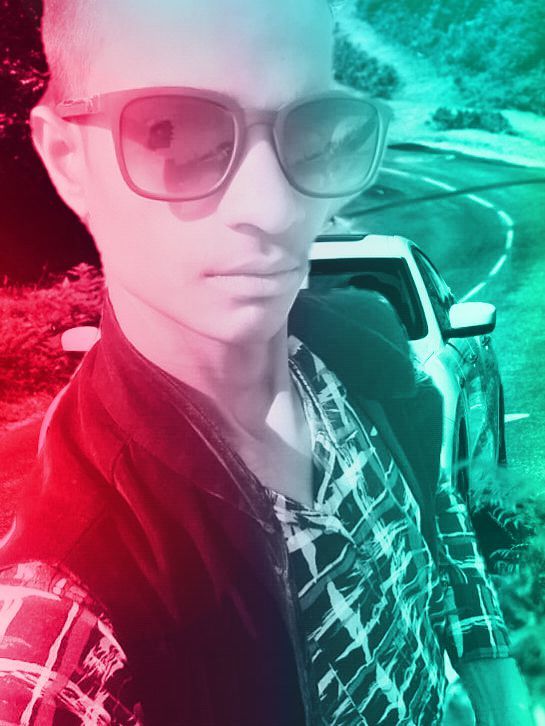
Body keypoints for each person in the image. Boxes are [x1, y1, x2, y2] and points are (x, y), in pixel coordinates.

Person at [0, 0, 534, 723]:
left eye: (310, 132)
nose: (274, 204)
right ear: (70, 162)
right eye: (173, 130)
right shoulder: (70, 612)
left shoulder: (366, 353)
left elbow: (444, 530)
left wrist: (498, 692)